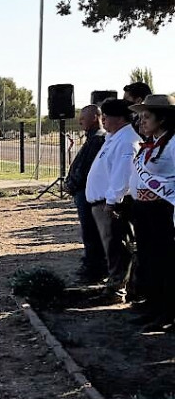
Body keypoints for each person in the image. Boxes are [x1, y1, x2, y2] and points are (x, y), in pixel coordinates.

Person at [85, 98, 141, 304]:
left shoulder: (127, 141)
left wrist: (111, 201)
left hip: (113, 204)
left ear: (117, 118)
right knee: (111, 247)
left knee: (117, 247)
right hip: (102, 203)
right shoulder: (114, 138)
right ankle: (115, 285)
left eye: (106, 117)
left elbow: (123, 174)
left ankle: (118, 290)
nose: (104, 122)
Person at [127, 94, 175, 332]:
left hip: (163, 212)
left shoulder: (173, 143)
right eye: (140, 117)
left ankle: (167, 312)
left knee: (164, 262)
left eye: (147, 117)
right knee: (148, 260)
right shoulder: (151, 143)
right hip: (143, 210)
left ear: (163, 118)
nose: (141, 122)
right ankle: (153, 306)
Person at [64, 104, 108, 282]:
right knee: (88, 231)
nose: (80, 121)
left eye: (83, 117)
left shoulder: (98, 139)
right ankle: (91, 264)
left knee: (91, 232)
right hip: (82, 192)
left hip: (87, 193)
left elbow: (87, 169)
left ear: (95, 118)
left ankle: (94, 269)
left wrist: (72, 185)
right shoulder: (91, 138)